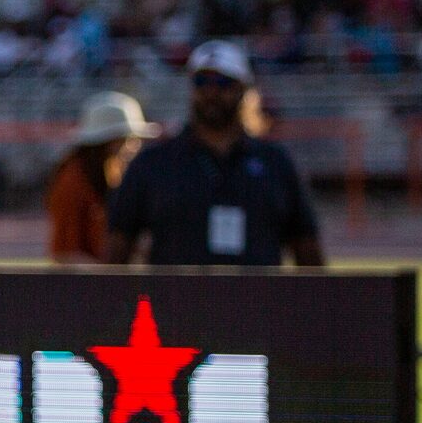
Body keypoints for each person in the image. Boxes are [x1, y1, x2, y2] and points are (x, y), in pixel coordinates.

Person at [104, 41, 327, 268]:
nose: (211, 92)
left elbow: (307, 248)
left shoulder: (276, 163)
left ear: (243, 89)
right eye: (202, 82)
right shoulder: (153, 163)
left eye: (223, 83)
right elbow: (118, 246)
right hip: (177, 300)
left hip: (256, 301)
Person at [47, 91, 157, 263]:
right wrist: (105, 278)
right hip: (88, 286)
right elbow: (64, 256)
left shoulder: (113, 173)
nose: (134, 146)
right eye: (128, 139)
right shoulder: (73, 181)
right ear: (108, 141)